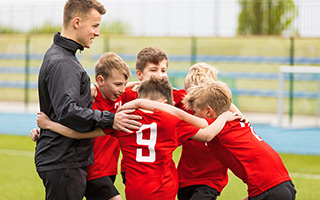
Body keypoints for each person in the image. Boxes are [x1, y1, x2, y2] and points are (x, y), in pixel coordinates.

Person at [35, 76, 241, 200]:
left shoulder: (123, 120)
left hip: (136, 190)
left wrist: (47, 125)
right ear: (163, 101)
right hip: (165, 189)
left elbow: (77, 133)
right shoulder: (173, 121)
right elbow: (206, 130)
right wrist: (224, 115)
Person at [118, 80, 297, 200]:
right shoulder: (234, 120)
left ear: (209, 111)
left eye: (195, 111)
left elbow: (187, 119)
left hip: (269, 190)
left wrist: (139, 103)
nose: (193, 115)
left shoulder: (220, 123)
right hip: (281, 186)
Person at [35, 1, 141, 199]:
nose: (97, 32)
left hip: (65, 160)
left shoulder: (64, 57)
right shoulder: (63, 62)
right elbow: (68, 112)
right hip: (64, 160)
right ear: (77, 22)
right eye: (95, 25)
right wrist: (111, 119)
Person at [177, 62, 230, 200]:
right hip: (185, 178)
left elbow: (230, 105)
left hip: (211, 180)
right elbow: (163, 92)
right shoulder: (184, 104)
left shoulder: (223, 112)